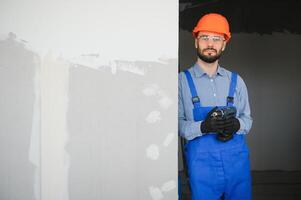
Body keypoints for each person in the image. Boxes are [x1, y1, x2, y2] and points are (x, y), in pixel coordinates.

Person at [178, 13, 253, 200]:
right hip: (202, 168)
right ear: (196, 41)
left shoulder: (237, 81)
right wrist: (203, 127)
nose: (210, 44)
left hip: (237, 168)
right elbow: (177, 125)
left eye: (216, 39)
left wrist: (237, 125)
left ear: (224, 44)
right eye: (204, 37)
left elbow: (247, 120)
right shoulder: (180, 81)